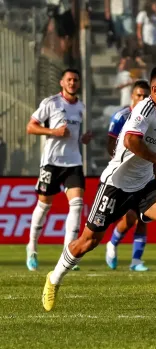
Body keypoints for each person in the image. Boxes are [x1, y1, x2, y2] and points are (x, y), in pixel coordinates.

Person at [42, 65, 156, 312]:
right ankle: (53, 278)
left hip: (143, 184)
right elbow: (131, 140)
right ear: (154, 90)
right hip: (115, 185)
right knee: (88, 241)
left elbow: (153, 144)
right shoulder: (145, 107)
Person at [26, 68, 92, 272]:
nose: (72, 83)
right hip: (52, 162)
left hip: (73, 163)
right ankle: (32, 248)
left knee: (77, 204)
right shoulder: (51, 103)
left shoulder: (81, 107)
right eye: (69, 80)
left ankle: (68, 254)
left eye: (75, 80)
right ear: (62, 83)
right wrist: (53, 131)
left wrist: (83, 139)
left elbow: (76, 135)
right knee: (44, 206)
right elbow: (31, 127)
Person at [106, 80, 152, 272]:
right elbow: (110, 144)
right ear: (132, 96)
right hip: (124, 175)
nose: (141, 98)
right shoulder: (121, 116)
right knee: (130, 217)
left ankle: (136, 261)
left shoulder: (152, 118)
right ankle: (112, 243)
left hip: (145, 173)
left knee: (144, 216)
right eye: (138, 95)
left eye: (145, 95)